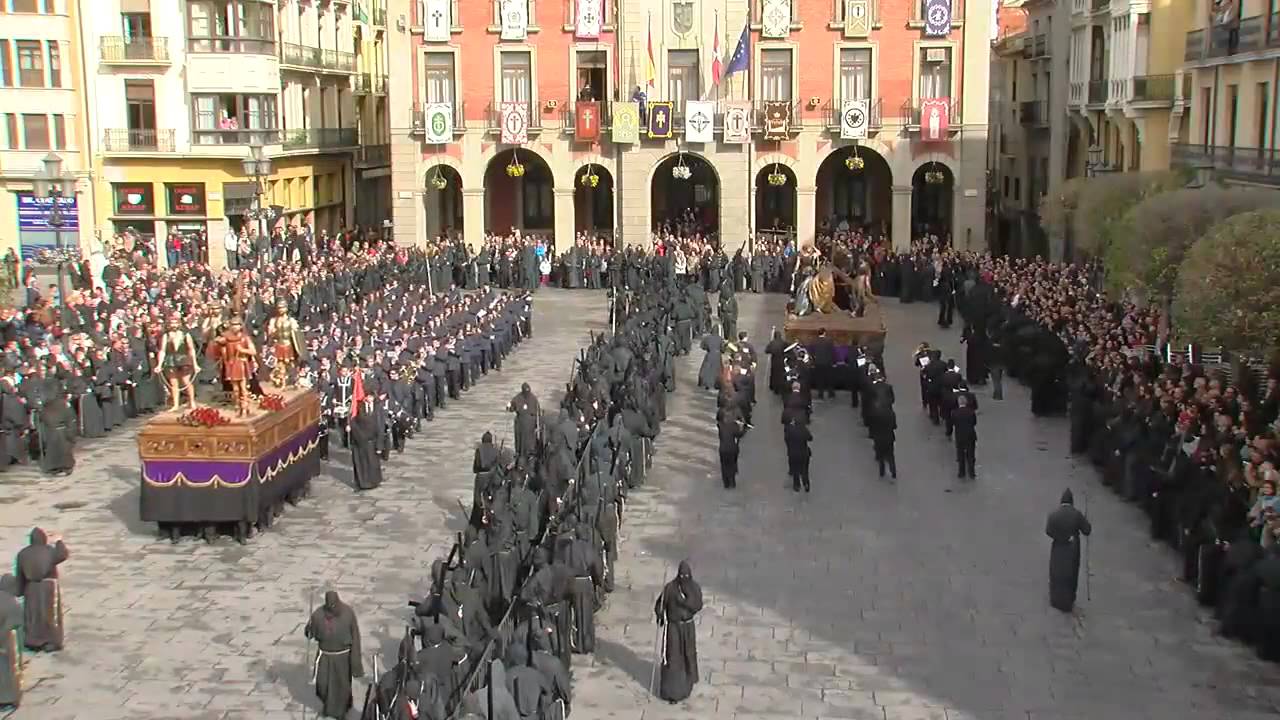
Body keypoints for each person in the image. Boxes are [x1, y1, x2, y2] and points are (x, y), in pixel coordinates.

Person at [304, 590, 365, 719]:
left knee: (341, 686)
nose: (332, 608)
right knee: (322, 685)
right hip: (325, 656)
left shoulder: (348, 613)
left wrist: (356, 663)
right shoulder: (318, 614)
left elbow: (355, 637)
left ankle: (340, 712)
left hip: (342, 657)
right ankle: (328, 705)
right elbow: (310, 632)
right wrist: (309, 630)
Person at [654, 560, 703, 704]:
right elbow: (660, 604)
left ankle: (686, 686)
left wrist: (684, 601)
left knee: (688, 654)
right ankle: (672, 692)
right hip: (674, 628)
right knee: (673, 656)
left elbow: (697, 605)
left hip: (687, 628)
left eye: (686, 576)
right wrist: (660, 614)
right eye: (681, 575)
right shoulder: (670, 588)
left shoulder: (694, 588)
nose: (683, 578)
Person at [15, 527, 69, 652]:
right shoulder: (49, 550)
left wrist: (19, 590)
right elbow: (63, 554)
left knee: (33, 615)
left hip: (31, 587)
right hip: (49, 586)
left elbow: (20, 575)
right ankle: (52, 641)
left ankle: (34, 641)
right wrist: (59, 540)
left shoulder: (23, 554)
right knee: (51, 614)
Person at [1045, 489, 1093, 613]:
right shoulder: (1077, 514)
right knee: (1071, 574)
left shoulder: (1053, 515)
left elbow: (1048, 531)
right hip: (1073, 549)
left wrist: (1060, 538)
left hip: (1058, 548)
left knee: (1056, 573)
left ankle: (1056, 599)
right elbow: (1087, 530)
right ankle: (1068, 601)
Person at [349, 393, 385, 491]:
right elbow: (353, 420)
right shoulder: (358, 407)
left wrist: (380, 445)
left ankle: (373, 481)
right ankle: (361, 483)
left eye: (371, 397)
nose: (369, 399)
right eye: (367, 397)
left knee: (372, 462)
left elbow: (381, 426)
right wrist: (358, 434)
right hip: (360, 439)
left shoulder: (378, 408)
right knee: (360, 462)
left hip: (372, 439)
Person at [0, 574, 21, 708]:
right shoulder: (13, 603)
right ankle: (7, 698)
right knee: (7, 669)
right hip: (5, 642)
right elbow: (16, 622)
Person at [508, 383, 540, 461]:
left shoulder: (533, 398)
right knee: (520, 440)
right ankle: (520, 454)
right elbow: (511, 407)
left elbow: (538, 413)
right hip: (520, 423)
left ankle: (529, 454)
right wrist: (510, 406)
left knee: (529, 441)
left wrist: (537, 425)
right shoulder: (517, 398)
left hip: (530, 424)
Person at [717, 404, 745, 489]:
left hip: (722, 449)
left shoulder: (721, 426)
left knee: (724, 465)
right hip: (732, 449)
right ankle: (732, 482)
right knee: (731, 465)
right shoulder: (733, 426)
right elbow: (740, 435)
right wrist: (741, 427)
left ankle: (726, 483)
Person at [951, 393, 977, 480]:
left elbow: (953, 423)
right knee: (971, 454)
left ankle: (961, 472)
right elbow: (974, 422)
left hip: (959, 435)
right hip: (970, 435)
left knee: (960, 454)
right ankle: (972, 472)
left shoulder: (954, 413)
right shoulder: (971, 412)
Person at [784, 414, 813, 492]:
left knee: (795, 469)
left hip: (793, 453)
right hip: (803, 452)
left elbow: (786, 439)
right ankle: (806, 483)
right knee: (804, 469)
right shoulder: (803, 430)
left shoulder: (790, 430)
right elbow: (810, 438)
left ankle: (796, 485)